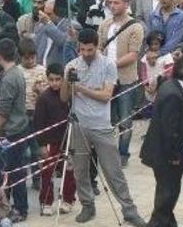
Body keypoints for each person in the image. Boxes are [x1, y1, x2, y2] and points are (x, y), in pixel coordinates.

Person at [62, 28, 146, 226]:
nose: (86, 54)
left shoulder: (108, 64)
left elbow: (106, 96)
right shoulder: (71, 65)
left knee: (113, 171)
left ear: (97, 46)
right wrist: (67, 80)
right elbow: (64, 97)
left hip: (101, 125)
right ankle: (87, 205)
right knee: (80, 171)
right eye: (82, 50)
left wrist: (80, 88)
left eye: (90, 50)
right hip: (78, 125)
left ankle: (129, 210)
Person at [140, 55, 183, 227]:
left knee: (166, 195)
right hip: (167, 156)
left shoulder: (169, 86)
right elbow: (169, 130)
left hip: (163, 153)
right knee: (167, 197)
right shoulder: (174, 94)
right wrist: (174, 155)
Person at [98, 0, 145, 166]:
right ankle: (108, 155)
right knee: (107, 120)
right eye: (110, 2)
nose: (113, 5)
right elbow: (99, 47)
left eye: (117, 2)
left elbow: (133, 55)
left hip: (125, 79)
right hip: (106, 80)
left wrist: (110, 65)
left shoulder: (135, 27)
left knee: (125, 120)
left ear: (126, 4)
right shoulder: (105, 24)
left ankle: (123, 154)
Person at [0, 38, 28, 223]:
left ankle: (20, 208)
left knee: (15, 171)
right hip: (19, 126)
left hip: (12, 130)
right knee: (11, 170)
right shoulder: (17, 73)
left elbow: (4, 111)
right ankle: (10, 205)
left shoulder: (9, 78)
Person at [33, 63, 76, 216]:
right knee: (47, 172)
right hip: (51, 141)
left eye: (58, 79)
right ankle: (46, 201)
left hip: (68, 139)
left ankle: (68, 200)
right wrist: (42, 145)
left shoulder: (70, 96)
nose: (55, 83)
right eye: (51, 79)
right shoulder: (43, 98)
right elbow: (38, 123)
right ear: (47, 79)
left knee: (69, 170)